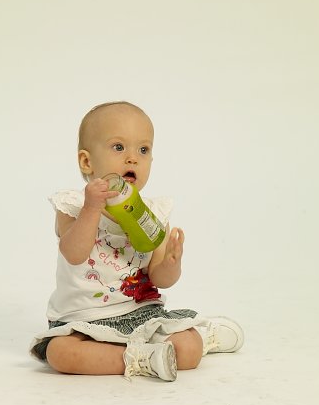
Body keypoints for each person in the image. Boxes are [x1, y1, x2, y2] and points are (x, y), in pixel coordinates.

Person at [31, 101, 244, 381]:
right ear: (87, 162)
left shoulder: (151, 215)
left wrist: (171, 262)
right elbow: (74, 253)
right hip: (84, 320)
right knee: (60, 353)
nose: (133, 158)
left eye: (143, 150)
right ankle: (141, 359)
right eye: (119, 147)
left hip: (141, 313)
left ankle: (204, 337)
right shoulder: (73, 205)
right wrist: (92, 208)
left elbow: (161, 279)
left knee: (188, 348)